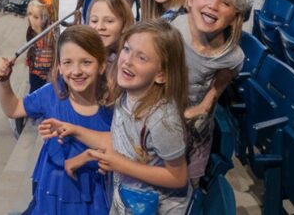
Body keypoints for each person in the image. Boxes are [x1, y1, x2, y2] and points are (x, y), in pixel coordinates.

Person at [39, 21, 191, 213]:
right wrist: (74, 130)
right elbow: (121, 141)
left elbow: (178, 176)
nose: (127, 60)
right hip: (127, 199)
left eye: (142, 58)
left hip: (153, 207)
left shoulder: (163, 121)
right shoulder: (127, 96)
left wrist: (119, 164)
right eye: (127, 49)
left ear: (160, 74)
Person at [0, 26, 113, 215]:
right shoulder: (51, 94)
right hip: (52, 189)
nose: (76, 71)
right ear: (59, 67)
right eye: (68, 62)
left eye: (86, 62)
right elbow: (14, 108)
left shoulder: (112, 105)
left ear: (102, 65)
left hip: (93, 195)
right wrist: (4, 82)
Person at [170, 0, 248, 183]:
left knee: (187, 185)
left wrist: (205, 105)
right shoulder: (170, 33)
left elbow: (221, 80)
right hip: (163, 124)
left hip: (196, 133)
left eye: (226, 2)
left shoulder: (232, 56)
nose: (213, 6)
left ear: (235, 17)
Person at [86, 0, 135, 90]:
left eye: (109, 21)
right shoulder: (83, 55)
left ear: (125, 24)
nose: (100, 27)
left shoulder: (131, 61)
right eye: (94, 21)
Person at [23, 0, 55, 94]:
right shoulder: (31, 32)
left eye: (36, 17)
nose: (31, 19)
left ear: (45, 18)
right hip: (35, 73)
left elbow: (53, 55)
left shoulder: (50, 34)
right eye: (30, 14)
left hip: (45, 76)